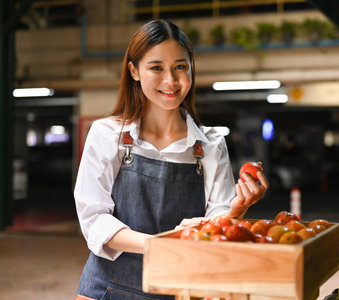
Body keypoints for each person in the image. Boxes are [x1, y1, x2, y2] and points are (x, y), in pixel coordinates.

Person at [74, 19, 269, 300]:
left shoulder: (210, 144)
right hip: (107, 288)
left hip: (183, 289)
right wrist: (162, 244)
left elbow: (215, 225)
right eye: (156, 68)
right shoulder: (108, 135)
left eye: (180, 67)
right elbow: (94, 220)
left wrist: (236, 210)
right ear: (134, 70)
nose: (171, 80)